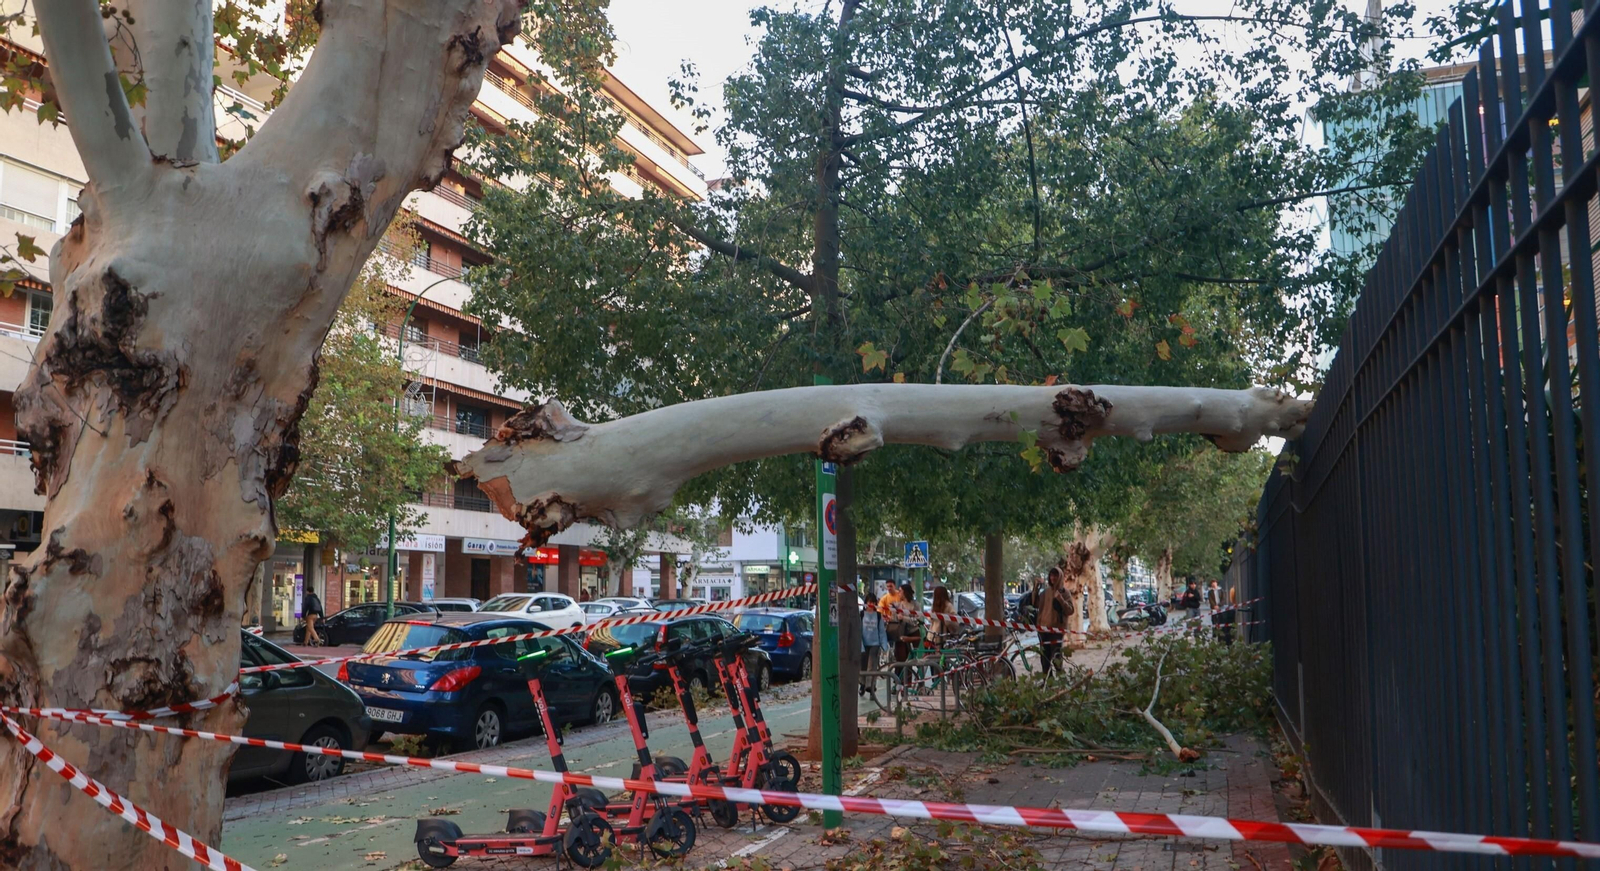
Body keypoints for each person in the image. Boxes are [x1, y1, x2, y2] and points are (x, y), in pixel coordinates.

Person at [1036, 567, 1074, 675]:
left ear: (1060, 577)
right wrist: (1035, 589)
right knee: (1044, 659)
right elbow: (1036, 604)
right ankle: (1047, 682)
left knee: (1057, 657)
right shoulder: (1045, 593)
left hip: (1056, 631)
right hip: (1043, 630)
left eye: (1055, 575)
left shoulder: (1064, 592)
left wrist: (1061, 599)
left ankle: (1060, 681)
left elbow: (1070, 610)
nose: (1053, 578)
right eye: (1051, 575)